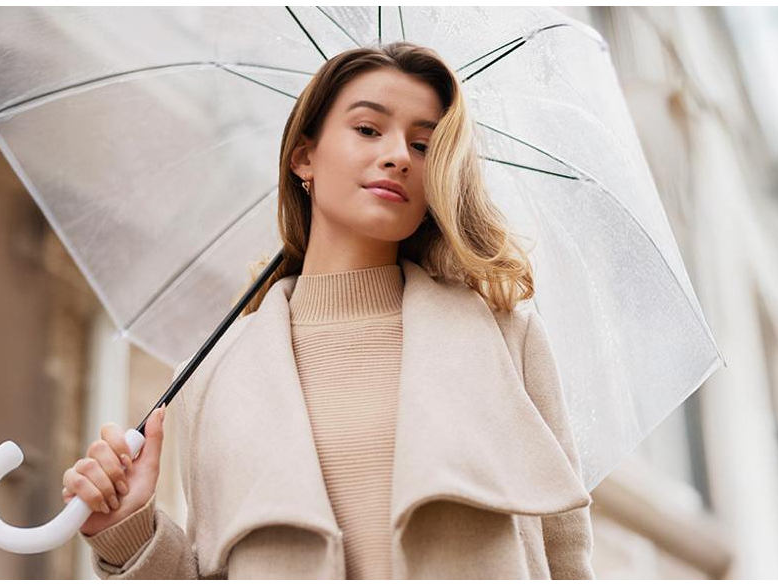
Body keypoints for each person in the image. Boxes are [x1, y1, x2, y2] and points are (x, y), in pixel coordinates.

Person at [61, 41, 595, 579]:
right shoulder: (215, 375)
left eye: (424, 144)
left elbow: (566, 561)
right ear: (304, 157)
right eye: (368, 129)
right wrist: (129, 529)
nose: (398, 156)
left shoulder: (505, 337)